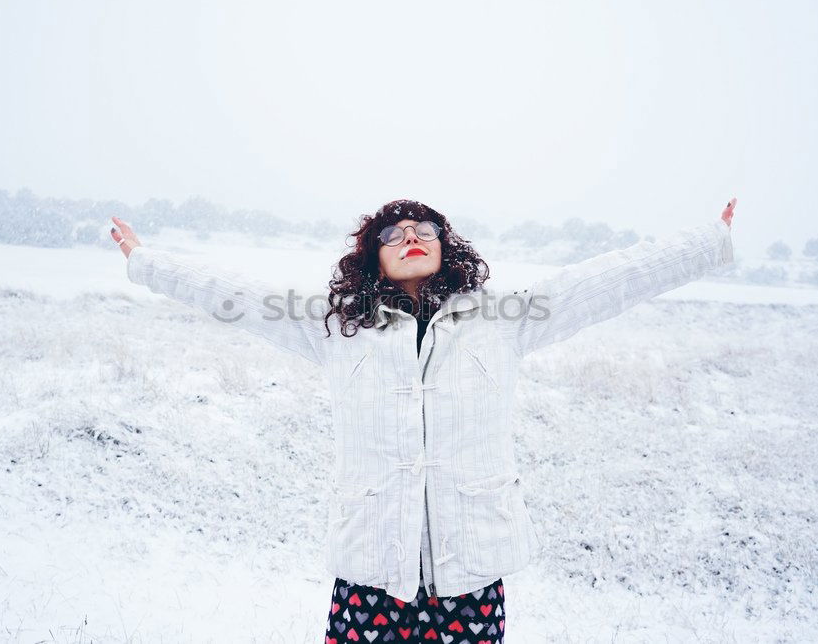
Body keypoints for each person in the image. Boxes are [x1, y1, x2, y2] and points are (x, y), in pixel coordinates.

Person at [112, 197, 738, 643]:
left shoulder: (503, 319)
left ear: (446, 248)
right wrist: (144, 260)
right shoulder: (336, 328)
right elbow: (234, 292)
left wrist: (707, 241)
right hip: (373, 569)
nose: (410, 235)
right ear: (372, 259)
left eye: (425, 229)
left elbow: (604, 282)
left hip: (469, 569)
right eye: (392, 233)